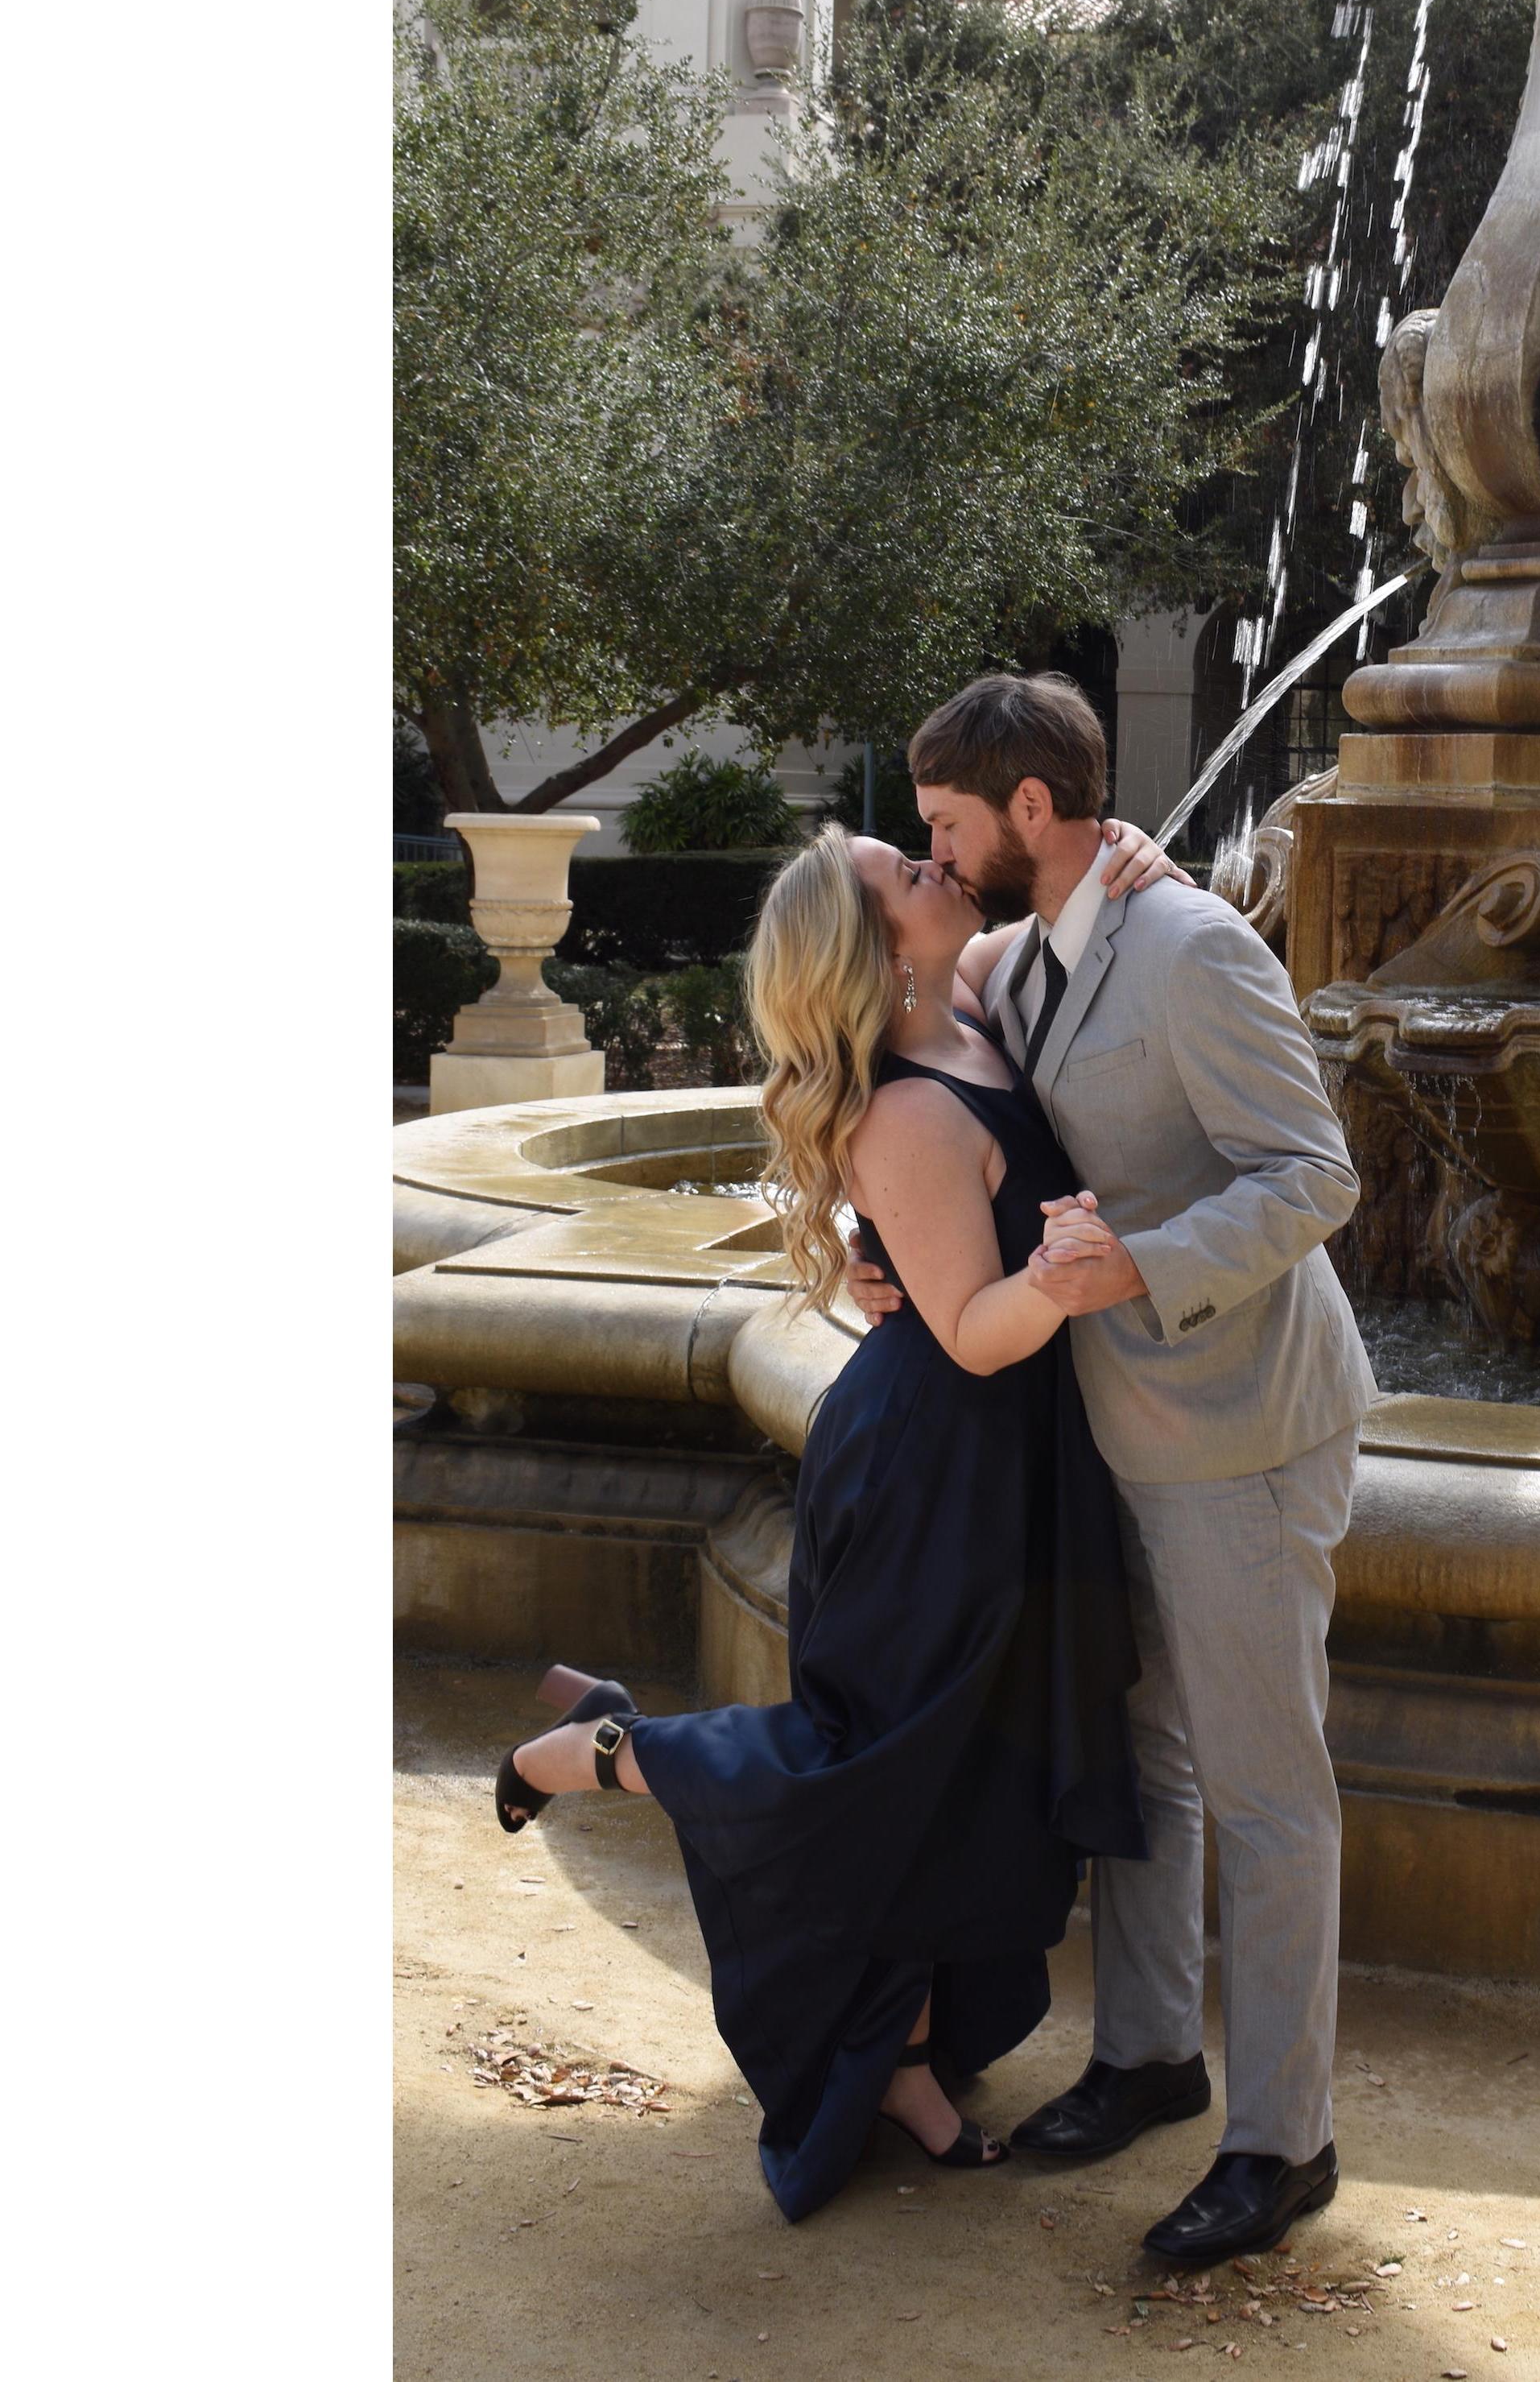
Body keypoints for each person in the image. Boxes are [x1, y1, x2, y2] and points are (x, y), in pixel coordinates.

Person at [490, 814, 1182, 2224]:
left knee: (950, 1780)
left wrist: (1132, 858)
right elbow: (975, 1331)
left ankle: (904, 2065)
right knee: (869, 1766)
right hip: (933, 1469)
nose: (934, 866)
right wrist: (1066, 1276)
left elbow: (1034, 921)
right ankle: (606, 1750)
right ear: (876, 953)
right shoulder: (905, 1112)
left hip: (995, 1461)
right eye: (901, 874)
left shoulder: (964, 999)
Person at [850, 670, 1378, 2268]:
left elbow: (1316, 1175)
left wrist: (1141, 1265)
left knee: (1266, 1788)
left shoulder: (1194, 946)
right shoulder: (1021, 955)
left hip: (1242, 1425)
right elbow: (956, 1107)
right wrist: (887, 1252)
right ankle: (1149, 2053)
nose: (936, 856)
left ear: (1029, 809)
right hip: (1105, 1426)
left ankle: (1283, 2140)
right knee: (1146, 1759)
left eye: (947, 825)